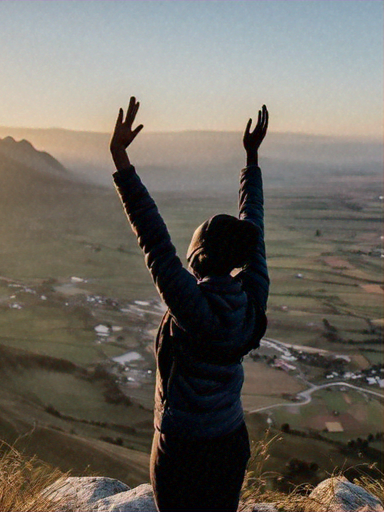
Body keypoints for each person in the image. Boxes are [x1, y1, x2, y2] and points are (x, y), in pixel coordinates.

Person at [109, 97, 270, 512]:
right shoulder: (251, 300)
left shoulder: (191, 308)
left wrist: (121, 160)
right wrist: (251, 160)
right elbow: (254, 229)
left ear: (196, 260)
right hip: (230, 441)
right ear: (238, 260)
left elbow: (155, 239)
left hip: (181, 447)